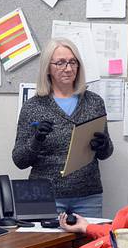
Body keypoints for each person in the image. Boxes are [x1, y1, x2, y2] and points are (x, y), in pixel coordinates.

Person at [12, 38, 113, 218]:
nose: (68, 68)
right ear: (47, 68)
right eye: (60, 63)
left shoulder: (94, 102)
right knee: (45, 247)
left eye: (72, 62)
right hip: (45, 196)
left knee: (92, 245)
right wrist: (36, 140)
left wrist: (103, 145)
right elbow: (19, 160)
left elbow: (106, 154)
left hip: (87, 196)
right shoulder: (33, 107)